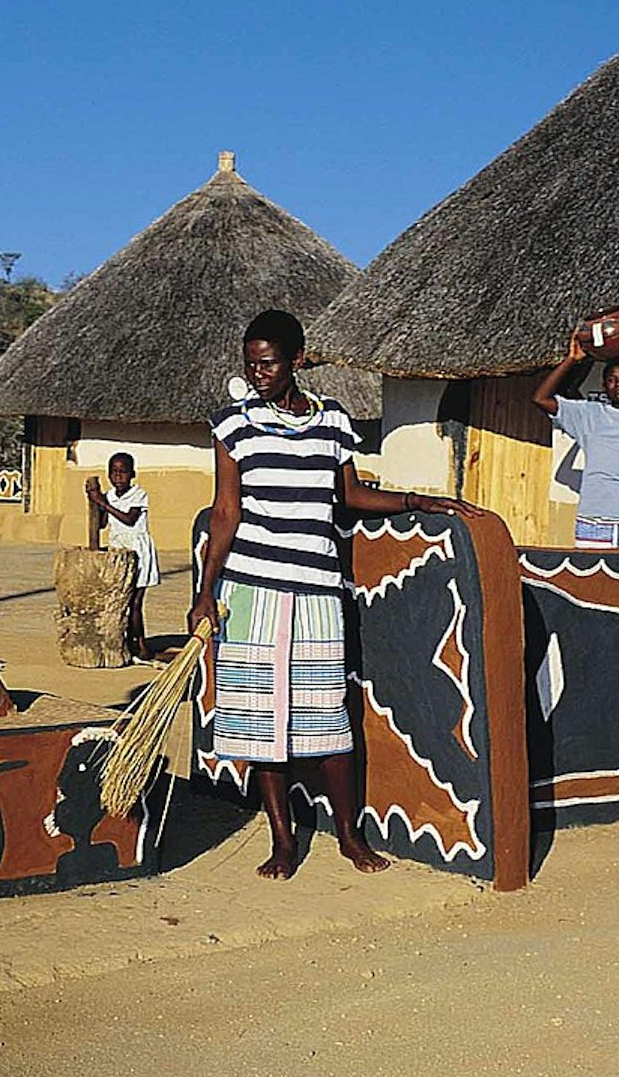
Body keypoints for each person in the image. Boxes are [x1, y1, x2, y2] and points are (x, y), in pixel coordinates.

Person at [190, 309, 479, 880]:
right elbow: (227, 513)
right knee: (259, 721)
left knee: (327, 718)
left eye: (268, 363)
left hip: (319, 590)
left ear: (297, 361)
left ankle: (349, 836)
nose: (257, 373)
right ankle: (282, 840)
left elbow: (347, 495)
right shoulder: (233, 426)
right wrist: (206, 590)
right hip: (251, 589)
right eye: (250, 364)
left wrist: (418, 502)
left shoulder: (332, 422)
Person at [532, 334, 619, 549]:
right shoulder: (588, 415)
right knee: (591, 580)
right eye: (612, 379)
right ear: (604, 386)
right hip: (592, 521)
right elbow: (541, 398)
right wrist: (571, 359)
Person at [85, 452, 160, 659]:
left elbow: (129, 519)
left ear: (132, 474)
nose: (118, 477)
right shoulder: (108, 495)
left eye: (123, 472)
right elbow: (101, 524)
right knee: (120, 601)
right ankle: (125, 641)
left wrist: (103, 503)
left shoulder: (139, 494)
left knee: (135, 603)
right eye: (114, 473)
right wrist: (96, 502)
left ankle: (141, 644)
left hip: (138, 552)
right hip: (118, 554)